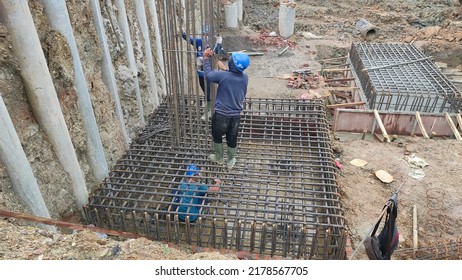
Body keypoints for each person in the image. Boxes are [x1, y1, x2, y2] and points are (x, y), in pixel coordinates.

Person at [203, 48, 250, 169]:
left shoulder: (223, 76)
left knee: (217, 136)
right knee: (232, 137)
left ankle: (219, 157)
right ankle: (230, 160)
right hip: (235, 117)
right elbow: (232, 75)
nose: (229, 58)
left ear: (233, 64)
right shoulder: (245, 77)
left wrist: (205, 58)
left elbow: (208, 75)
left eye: (231, 58)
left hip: (220, 116)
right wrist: (226, 69)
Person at [182, 31, 212, 120]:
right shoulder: (199, 41)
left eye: (207, 35)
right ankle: (209, 105)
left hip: (210, 74)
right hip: (201, 73)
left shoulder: (213, 43)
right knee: (204, 89)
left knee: (209, 92)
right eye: (204, 35)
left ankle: (209, 110)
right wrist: (183, 34)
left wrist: (219, 44)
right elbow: (189, 39)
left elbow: (219, 51)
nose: (205, 37)